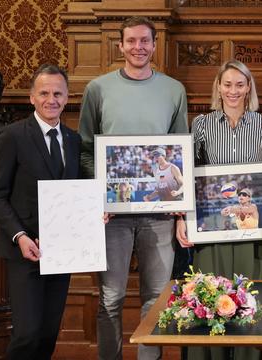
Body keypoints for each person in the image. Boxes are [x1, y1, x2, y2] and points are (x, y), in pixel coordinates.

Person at [78, 16, 188, 360]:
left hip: (158, 216)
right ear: (120, 45)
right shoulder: (98, 89)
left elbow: (180, 152)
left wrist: (180, 207)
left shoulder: (174, 90)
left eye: (144, 41)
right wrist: (102, 192)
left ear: (154, 45)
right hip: (113, 217)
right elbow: (85, 150)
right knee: (110, 299)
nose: (138, 47)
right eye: (131, 41)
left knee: (156, 299)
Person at [174, 59, 262, 360]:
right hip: (212, 226)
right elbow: (189, 175)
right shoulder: (201, 124)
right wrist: (182, 216)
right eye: (227, 84)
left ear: (249, 88)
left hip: (253, 228)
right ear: (218, 88)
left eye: (240, 84)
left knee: (250, 301)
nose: (233, 91)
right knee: (211, 299)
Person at [0, 64, 81, 360]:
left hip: (61, 253)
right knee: (26, 334)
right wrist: (20, 236)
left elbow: (75, 195)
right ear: (31, 97)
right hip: (24, 251)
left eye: (57, 93)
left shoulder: (73, 140)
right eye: (44, 93)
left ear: (67, 97)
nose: (51, 99)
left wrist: (93, 214)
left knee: (47, 334)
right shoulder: (12, 136)